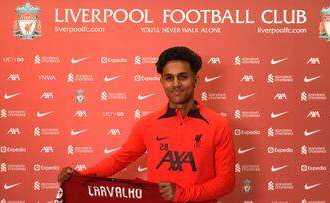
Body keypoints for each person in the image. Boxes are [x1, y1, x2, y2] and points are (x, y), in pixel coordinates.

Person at [58, 46, 235, 202]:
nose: (176, 84)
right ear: (162, 82)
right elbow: (119, 160)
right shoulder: (148, 124)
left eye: (183, 77)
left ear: (195, 80)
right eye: (169, 78)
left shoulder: (218, 124)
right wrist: (80, 176)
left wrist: (182, 194)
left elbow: (226, 182)